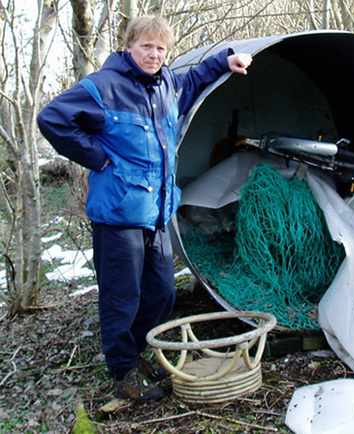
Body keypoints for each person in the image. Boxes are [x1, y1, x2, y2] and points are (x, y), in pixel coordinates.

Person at [37, 15, 252, 403]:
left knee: (162, 294)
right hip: (119, 214)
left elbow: (194, 78)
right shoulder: (103, 87)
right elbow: (52, 118)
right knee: (122, 299)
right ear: (128, 47)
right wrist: (97, 158)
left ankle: (136, 354)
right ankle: (123, 371)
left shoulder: (167, 83)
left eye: (161, 49)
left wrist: (225, 60)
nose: (154, 55)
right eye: (146, 46)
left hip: (157, 212)